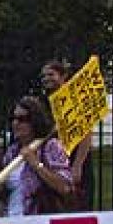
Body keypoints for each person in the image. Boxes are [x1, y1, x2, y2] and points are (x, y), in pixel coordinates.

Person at [0, 96, 74, 217]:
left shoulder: (50, 146)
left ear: (34, 121)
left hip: (38, 220)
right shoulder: (12, 151)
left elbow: (64, 187)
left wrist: (36, 164)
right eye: (13, 118)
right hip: (12, 219)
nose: (15, 123)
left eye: (22, 119)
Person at [40, 59, 96, 208]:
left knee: (78, 204)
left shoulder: (75, 99)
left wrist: (78, 165)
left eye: (51, 74)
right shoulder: (44, 102)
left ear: (63, 76)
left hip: (75, 156)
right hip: (53, 161)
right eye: (43, 76)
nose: (46, 79)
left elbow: (86, 134)